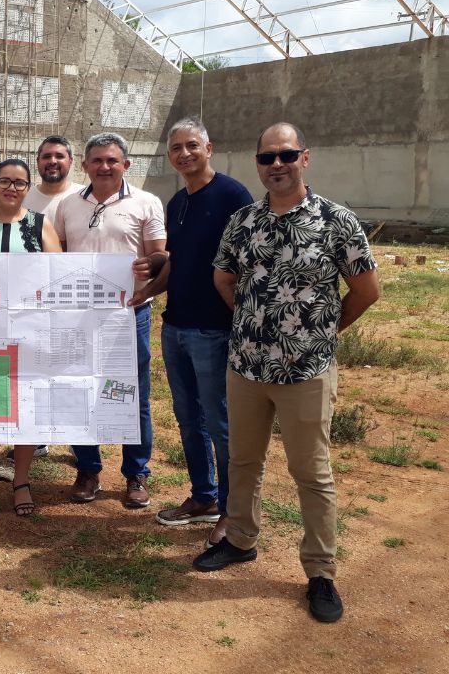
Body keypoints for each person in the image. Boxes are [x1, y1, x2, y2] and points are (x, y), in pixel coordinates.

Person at [193, 122, 380, 624]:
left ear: (305, 158)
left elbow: (366, 290)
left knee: (311, 473)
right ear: (257, 164)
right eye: (267, 157)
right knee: (243, 462)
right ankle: (239, 540)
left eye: (287, 155)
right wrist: (255, 327)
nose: (277, 164)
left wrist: (322, 331)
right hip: (247, 367)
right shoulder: (244, 222)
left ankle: (320, 572)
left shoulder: (336, 221)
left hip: (307, 372)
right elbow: (223, 278)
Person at [134, 118, 253, 546]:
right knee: (188, 419)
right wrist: (148, 290)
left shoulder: (232, 195)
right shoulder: (177, 202)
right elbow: (178, 264)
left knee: (220, 422)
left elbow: (247, 262)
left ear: (209, 148)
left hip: (214, 330)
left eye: (191, 146)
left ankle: (231, 509)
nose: (184, 154)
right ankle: (203, 497)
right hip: (176, 326)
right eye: (177, 148)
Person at [54, 132, 166, 509]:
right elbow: (60, 258)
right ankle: (88, 469)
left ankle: (136, 473)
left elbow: (161, 256)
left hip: (129, 313)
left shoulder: (147, 203)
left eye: (112, 160)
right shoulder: (68, 205)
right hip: (80, 317)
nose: (104, 167)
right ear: (84, 165)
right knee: (80, 390)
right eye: (97, 160)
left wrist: (149, 265)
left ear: (125, 165)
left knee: (132, 395)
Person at [0, 159, 62, 518]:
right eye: (5, 180)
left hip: (29, 330)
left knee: (26, 406)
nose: (12, 188)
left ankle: (21, 481)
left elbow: (58, 273)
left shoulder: (40, 224)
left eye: (20, 183)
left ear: (27, 188)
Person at [17, 135, 84, 462]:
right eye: (46, 156)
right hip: (33, 299)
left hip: (73, 300)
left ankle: (75, 439)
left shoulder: (83, 196)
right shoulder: (25, 198)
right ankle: (37, 437)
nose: (52, 161)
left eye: (59, 156)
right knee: (36, 367)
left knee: (71, 368)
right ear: (38, 161)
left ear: (71, 161)